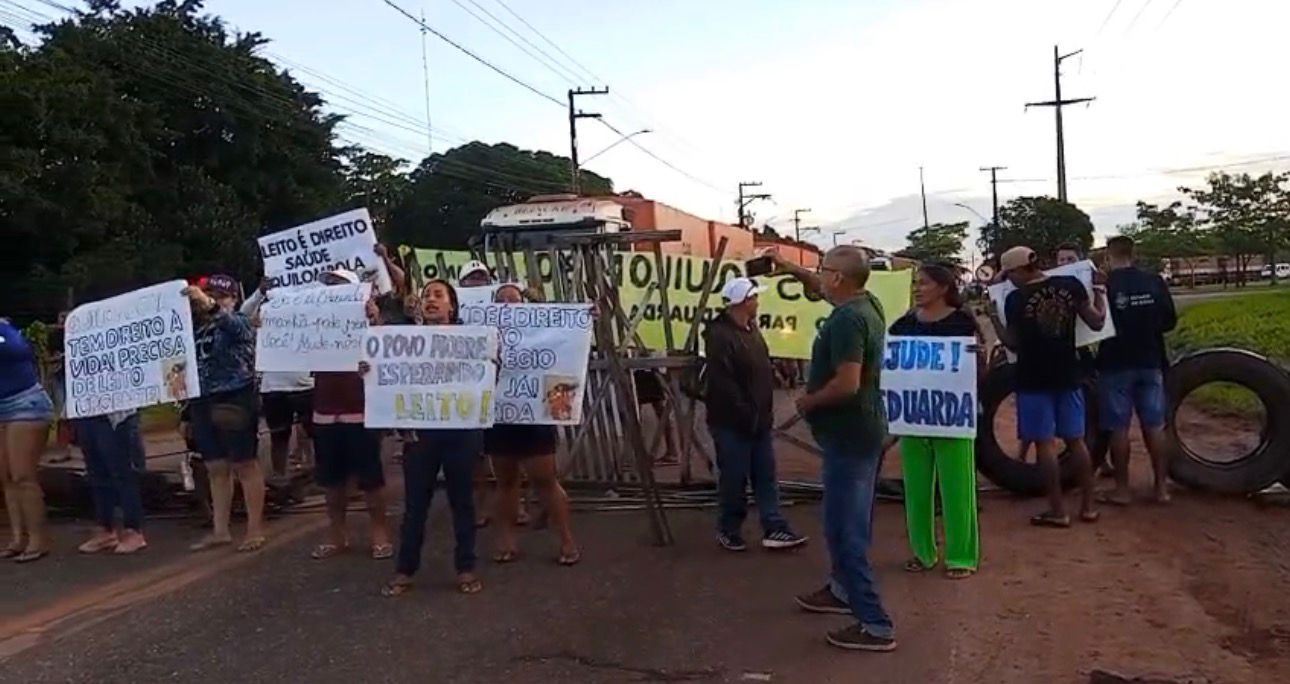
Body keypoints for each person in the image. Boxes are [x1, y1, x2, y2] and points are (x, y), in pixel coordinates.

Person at [771, 246, 897, 652]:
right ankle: (841, 590)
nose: (819, 276)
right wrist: (789, 267)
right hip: (856, 432)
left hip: (851, 434)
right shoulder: (865, 302)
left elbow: (847, 383)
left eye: (824, 270)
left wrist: (808, 401)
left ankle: (874, 623)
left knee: (846, 530)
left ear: (840, 278)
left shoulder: (847, 320)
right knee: (839, 521)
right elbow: (820, 289)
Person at [988, 246, 1107, 528]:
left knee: (1045, 444)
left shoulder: (1016, 299)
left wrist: (994, 316)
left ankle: (1057, 511)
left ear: (1019, 270)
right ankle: (1089, 507)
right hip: (1068, 373)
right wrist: (1101, 293)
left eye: (1009, 275)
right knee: (1076, 441)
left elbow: (1013, 343)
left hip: (1032, 378)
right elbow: (1097, 321)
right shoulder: (1070, 285)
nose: (1009, 281)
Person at [382, 279, 485, 597]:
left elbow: (491, 371)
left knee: (462, 503)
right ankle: (405, 569)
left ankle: (465, 567)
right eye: (426, 295)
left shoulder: (474, 340)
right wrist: (369, 370)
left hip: (461, 432)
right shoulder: (403, 341)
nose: (430, 300)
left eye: (438, 295)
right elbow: (388, 378)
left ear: (451, 306)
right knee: (415, 506)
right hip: (421, 434)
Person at [888, 264, 981, 579]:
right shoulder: (902, 325)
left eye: (923, 283)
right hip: (915, 417)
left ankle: (961, 556)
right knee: (916, 489)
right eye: (916, 282)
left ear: (943, 288)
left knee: (958, 488)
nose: (917, 288)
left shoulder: (962, 322)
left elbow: (976, 365)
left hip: (952, 417)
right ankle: (922, 552)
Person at [703, 276, 806, 552]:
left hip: (759, 419)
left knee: (766, 476)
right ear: (743, 302)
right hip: (732, 423)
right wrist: (746, 414)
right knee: (734, 478)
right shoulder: (719, 335)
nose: (758, 302)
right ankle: (729, 528)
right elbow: (723, 383)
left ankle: (774, 527)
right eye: (754, 298)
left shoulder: (751, 329)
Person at [486, 283, 580, 566]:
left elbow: (569, 344)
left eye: (513, 300)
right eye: (501, 301)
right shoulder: (484, 333)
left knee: (545, 481)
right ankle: (506, 539)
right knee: (505, 482)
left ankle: (566, 539)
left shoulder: (543, 334)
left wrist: (587, 317)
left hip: (534, 415)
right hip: (500, 416)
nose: (507, 305)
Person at [306, 269, 393, 561]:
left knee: (371, 478)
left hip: (360, 409)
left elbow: (388, 351)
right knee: (332, 481)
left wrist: (374, 319)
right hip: (325, 410)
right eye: (329, 285)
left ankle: (379, 533)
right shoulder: (315, 322)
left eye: (339, 285)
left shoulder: (370, 320)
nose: (332, 290)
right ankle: (337, 535)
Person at [184, 275, 267, 553]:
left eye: (221, 296)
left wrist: (208, 305)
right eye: (211, 295)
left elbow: (234, 326)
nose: (217, 300)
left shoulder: (241, 321)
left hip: (235, 395)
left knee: (245, 463)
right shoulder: (193, 328)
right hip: (203, 399)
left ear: (233, 299)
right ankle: (220, 530)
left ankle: (255, 529)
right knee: (215, 467)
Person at [1096, 236, 1177, 505]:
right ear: (1134, 254)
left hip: (1115, 363)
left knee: (1118, 429)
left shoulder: (1105, 286)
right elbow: (1169, 321)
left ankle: (1122, 490)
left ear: (1109, 256)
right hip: (1150, 360)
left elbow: (1094, 324)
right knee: (1155, 426)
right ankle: (1161, 489)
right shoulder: (1154, 281)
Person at [241, 284, 314, 482]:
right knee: (279, 436)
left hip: (304, 383)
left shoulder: (306, 303)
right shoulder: (265, 305)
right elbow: (242, 313)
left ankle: (320, 476)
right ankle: (280, 478)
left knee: (314, 433)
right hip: (273, 386)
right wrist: (259, 292)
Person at [0, 318, 55, 563]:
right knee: (7, 477)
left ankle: (37, 539)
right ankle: (17, 538)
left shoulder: (4, 330)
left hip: (24, 403)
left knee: (23, 475)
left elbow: (12, 349)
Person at [73, 410, 148, 555]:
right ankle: (105, 529)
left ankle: (134, 530)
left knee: (123, 472)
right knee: (96, 472)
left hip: (117, 413)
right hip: (86, 411)